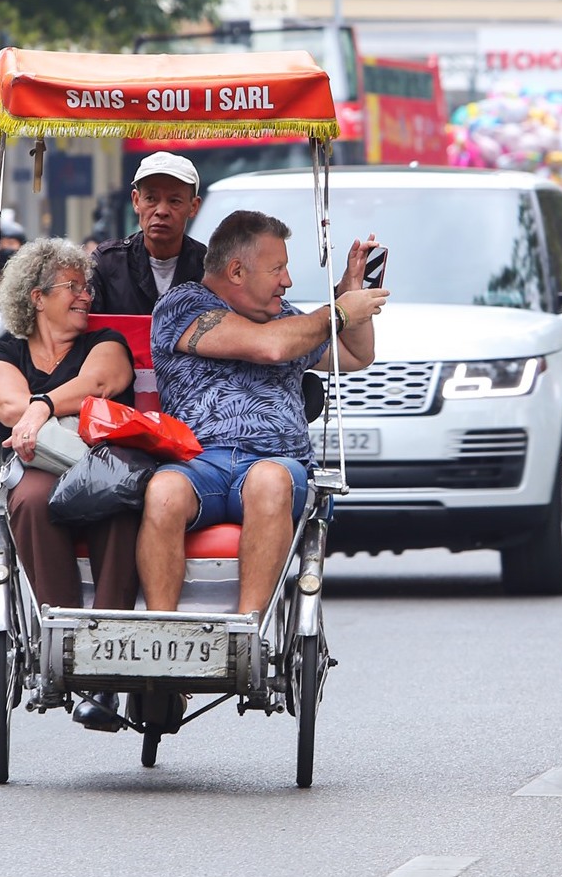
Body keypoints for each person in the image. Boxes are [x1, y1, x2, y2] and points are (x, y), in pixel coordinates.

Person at [138, 211, 388, 623]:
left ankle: (247, 633)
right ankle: (164, 636)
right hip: (198, 462)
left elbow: (356, 355)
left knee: (268, 481)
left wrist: (352, 295)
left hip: (273, 466)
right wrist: (337, 313)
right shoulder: (182, 305)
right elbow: (267, 347)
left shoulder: (288, 319)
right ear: (236, 271)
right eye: (278, 268)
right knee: (163, 490)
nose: (286, 281)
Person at [0, 239, 140, 731]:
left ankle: (108, 662)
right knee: (28, 498)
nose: (85, 296)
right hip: (41, 466)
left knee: (114, 501)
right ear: (36, 297)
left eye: (86, 286)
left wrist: (42, 406)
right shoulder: (5, 350)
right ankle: (64, 635)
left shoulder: (104, 340)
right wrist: (32, 410)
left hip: (100, 460)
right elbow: (6, 407)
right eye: (72, 287)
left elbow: (99, 383)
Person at [91, 152, 207, 314]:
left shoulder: (210, 268)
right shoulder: (107, 264)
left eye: (174, 201)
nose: (161, 211)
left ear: (193, 207)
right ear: (136, 201)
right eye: (151, 199)